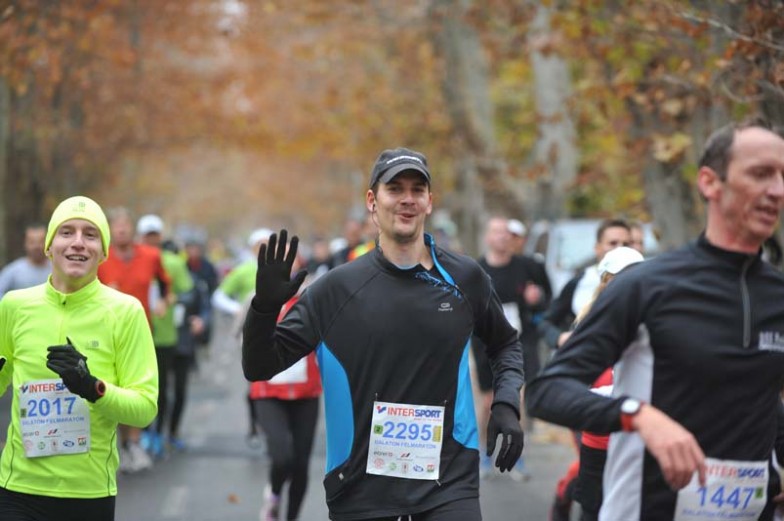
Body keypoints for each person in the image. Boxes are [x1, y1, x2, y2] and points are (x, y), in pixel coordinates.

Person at [242, 147, 525, 521]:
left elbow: (505, 343)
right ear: (372, 201)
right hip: (361, 488)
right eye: (395, 189)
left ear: (429, 202)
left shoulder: (464, 278)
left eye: (417, 190)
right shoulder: (335, 290)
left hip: (449, 482)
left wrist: (506, 404)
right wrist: (263, 309)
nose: (407, 199)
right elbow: (260, 366)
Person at [526, 118, 784, 520]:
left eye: (782, 176)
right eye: (760, 174)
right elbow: (547, 391)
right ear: (709, 183)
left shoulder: (777, 295)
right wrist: (637, 415)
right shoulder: (647, 287)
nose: (777, 190)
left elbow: (762, 397)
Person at [0, 196, 158, 521]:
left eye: (90, 234)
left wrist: (92, 387)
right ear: (49, 246)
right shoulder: (14, 306)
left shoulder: (125, 312)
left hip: (89, 493)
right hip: (18, 489)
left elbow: (144, 409)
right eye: (66, 232)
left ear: (103, 252)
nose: (78, 242)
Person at [472, 216, 550, 480]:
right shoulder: (476, 271)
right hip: (485, 343)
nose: (502, 236)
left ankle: (516, 456)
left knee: (517, 400)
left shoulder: (527, 267)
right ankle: (485, 452)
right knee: (489, 403)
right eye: (497, 232)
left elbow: (548, 298)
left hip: (519, 342)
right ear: (487, 237)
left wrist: (536, 298)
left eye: (506, 232)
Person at [98, 207, 171, 473]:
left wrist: (163, 301)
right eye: (116, 225)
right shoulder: (100, 258)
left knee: (136, 388)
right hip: (107, 333)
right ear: (109, 230)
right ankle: (122, 445)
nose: (121, 229)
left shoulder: (151, 255)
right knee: (114, 389)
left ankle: (135, 443)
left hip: (142, 330)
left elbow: (166, 284)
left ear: (133, 228)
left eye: (125, 224)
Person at [137, 215, 200, 456]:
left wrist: (172, 298)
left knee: (161, 388)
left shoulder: (172, 262)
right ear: (140, 237)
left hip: (164, 336)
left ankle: (157, 433)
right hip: (135, 334)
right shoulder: (132, 260)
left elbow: (189, 292)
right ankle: (141, 434)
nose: (151, 239)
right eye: (147, 235)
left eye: (155, 235)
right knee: (137, 388)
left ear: (160, 236)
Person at [212, 227, 272, 447]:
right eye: (260, 245)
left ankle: (270, 425)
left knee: (274, 378)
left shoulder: (280, 269)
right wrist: (238, 309)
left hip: (277, 331)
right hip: (249, 333)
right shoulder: (244, 270)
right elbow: (218, 296)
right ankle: (255, 425)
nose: (264, 249)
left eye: (268, 244)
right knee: (254, 380)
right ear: (252, 248)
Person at [537, 218, 631, 351]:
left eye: (626, 244)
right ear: (597, 248)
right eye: (613, 243)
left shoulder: (643, 283)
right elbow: (545, 322)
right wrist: (560, 338)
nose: (620, 249)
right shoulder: (580, 282)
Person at [0, 223, 50, 299]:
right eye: (32, 242)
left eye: (41, 241)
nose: (36, 246)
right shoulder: (13, 271)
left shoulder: (58, 269)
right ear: (25, 243)